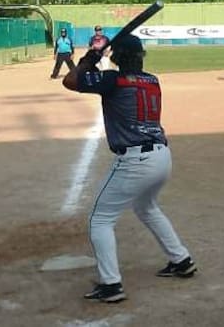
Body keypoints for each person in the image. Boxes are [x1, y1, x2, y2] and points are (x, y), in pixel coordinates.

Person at [62, 35, 195, 304]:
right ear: (141, 56)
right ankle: (181, 260)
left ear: (117, 56)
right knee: (146, 208)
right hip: (161, 156)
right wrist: (99, 61)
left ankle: (111, 284)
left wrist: (89, 59)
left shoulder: (113, 80)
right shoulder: (152, 80)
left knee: (100, 219)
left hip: (135, 161)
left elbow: (70, 80)